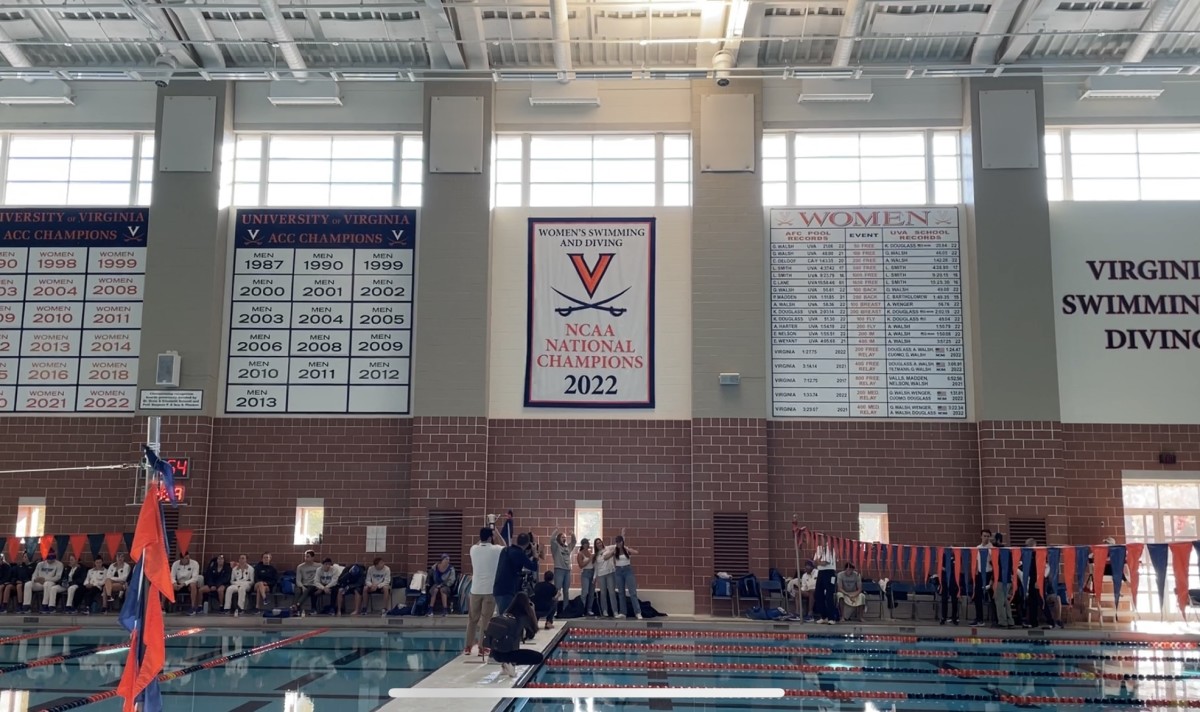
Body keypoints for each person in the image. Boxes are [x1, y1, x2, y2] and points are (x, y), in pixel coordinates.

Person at [490, 593, 546, 677]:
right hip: (507, 654)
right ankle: (510, 664)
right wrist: (532, 611)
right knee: (539, 657)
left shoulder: (506, 613)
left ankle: (505, 666)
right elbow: (531, 634)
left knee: (508, 642)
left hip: (495, 654)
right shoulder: (522, 617)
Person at [466, 528, 503, 655]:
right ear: (490, 537)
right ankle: (482, 647)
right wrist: (497, 534)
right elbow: (506, 546)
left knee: (472, 619)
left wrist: (486, 536)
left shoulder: (473, 549)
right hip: (489, 590)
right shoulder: (496, 549)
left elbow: (478, 543)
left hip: (475, 589)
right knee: (486, 619)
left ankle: (468, 647)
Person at [493, 533, 539, 616]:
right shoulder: (520, 554)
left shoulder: (505, 550)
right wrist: (535, 553)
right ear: (528, 544)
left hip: (497, 589)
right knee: (506, 618)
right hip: (507, 590)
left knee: (502, 615)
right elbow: (534, 567)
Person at [603, 530, 641, 620]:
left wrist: (628, 549)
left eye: (620, 542)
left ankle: (638, 612)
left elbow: (636, 552)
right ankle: (623, 612)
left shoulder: (626, 550)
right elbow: (605, 557)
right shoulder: (614, 551)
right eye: (617, 542)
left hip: (628, 570)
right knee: (621, 593)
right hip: (619, 572)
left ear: (622, 542)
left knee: (632, 592)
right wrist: (612, 552)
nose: (618, 544)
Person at [22, 550, 63, 614]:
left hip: (51, 582)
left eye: (51, 558)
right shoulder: (40, 564)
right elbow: (34, 574)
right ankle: (26, 605)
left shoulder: (59, 564)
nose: (50, 560)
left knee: (47, 584)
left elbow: (57, 577)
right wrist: (35, 579)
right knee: (28, 584)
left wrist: (44, 579)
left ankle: (45, 605)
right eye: (48, 558)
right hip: (40, 583)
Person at [970, 529, 994, 626]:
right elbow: (976, 561)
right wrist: (975, 572)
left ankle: (996, 619)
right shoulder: (977, 548)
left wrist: (992, 577)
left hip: (989, 573)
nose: (986, 538)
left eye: (988, 536)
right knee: (977, 597)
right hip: (980, 574)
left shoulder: (992, 549)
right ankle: (979, 619)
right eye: (984, 536)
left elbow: (994, 563)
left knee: (993, 597)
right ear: (981, 536)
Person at [549, 529, 576, 612]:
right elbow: (552, 539)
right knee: (557, 590)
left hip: (567, 571)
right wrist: (556, 531)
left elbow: (574, 542)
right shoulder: (556, 547)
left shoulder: (567, 547)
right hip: (559, 570)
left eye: (565, 537)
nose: (564, 539)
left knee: (566, 591)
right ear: (558, 538)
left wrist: (572, 534)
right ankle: (554, 610)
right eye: (562, 537)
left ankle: (565, 609)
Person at [813, 541, 838, 623]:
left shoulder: (830, 549)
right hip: (820, 572)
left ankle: (832, 618)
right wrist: (819, 562)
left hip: (829, 572)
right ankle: (824, 616)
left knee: (829, 595)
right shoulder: (818, 548)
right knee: (818, 594)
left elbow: (825, 562)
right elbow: (814, 562)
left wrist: (818, 562)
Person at [593, 536, 617, 618]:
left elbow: (617, 545)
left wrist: (622, 535)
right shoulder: (596, 555)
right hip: (601, 575)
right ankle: (604, 610)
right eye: (597, 543)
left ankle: (615, 611)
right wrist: (594, 577)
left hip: (610, 573)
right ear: (595, 545)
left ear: (602, 542)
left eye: (600, 542)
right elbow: (596, 567)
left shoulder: (608, 548)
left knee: (612, 593)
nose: (599, 544)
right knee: (603, 593)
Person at [292, 550, 320, 616]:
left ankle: (296, 605)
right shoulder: (300, 567)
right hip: (303, 584)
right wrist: (302, 586)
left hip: (314, 585)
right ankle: (296, 609)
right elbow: (298, 580)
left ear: (313, 558)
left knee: (310, 589)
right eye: (305, 556)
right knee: (297, 590)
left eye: (308, 557)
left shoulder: (319, 566)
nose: (306, 558)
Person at [937, 550, 960, 626]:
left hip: (954, 581)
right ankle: (943, 617)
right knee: (944, 599)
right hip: (945, 581)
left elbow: (957, 567)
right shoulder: (944, 556)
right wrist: (947, 569)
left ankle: (954, 617)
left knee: (954, 600)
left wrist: (948, 569)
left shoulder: (957, 557)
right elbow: (941, 566)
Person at [577, 539, 596, 617]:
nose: (588, 545)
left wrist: (595, 575)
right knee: (585, 592)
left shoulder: (590, 552)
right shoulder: (580, 554)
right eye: (586, 543)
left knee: (591, 593)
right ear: (583, 544)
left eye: (588, 543)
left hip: (592, 572)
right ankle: (581, 609)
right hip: (585, 573)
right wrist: (589, 559)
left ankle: (589, 609)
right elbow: (581, 565)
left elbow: (594, 564)